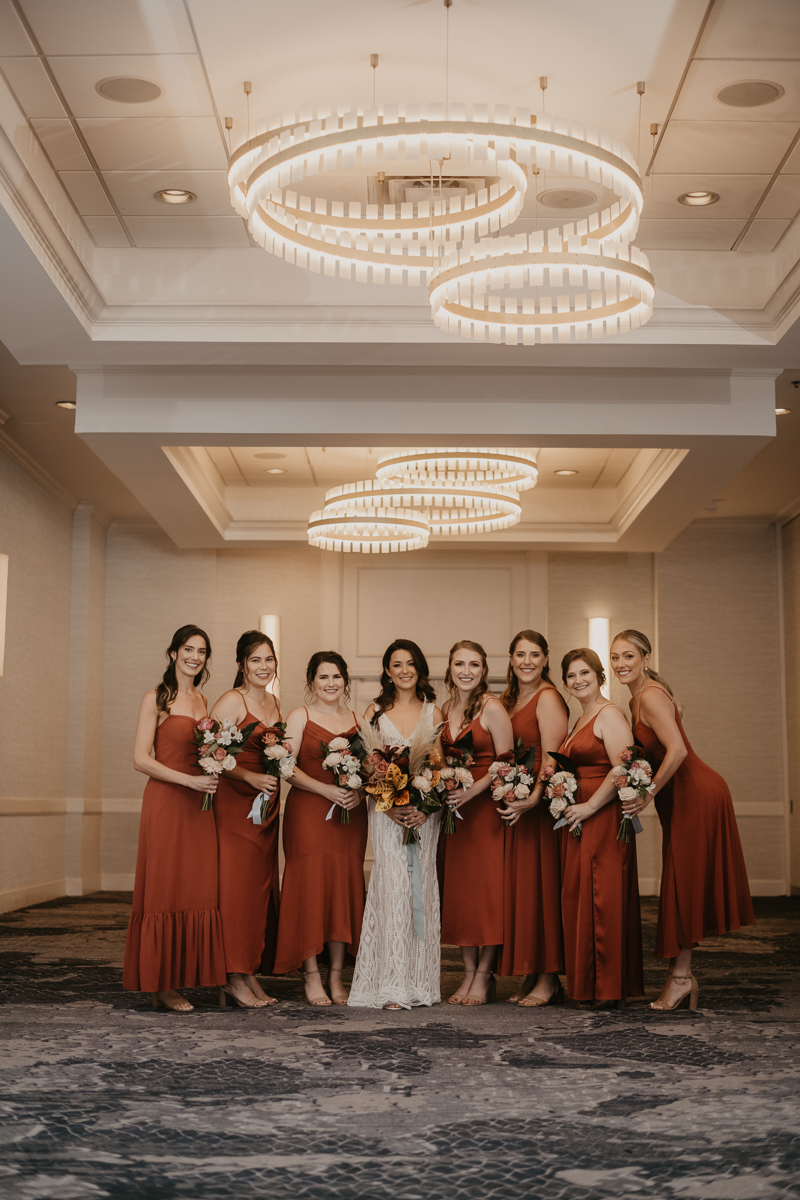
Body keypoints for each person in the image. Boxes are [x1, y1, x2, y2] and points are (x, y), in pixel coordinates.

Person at [610, 629, 754, 1012]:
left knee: (682, 884)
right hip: (681, 797)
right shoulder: (638, 697)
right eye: (615, 658)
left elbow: (675, 750)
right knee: (681, 882)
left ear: (646, 658)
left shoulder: (651, 695)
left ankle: (681, 978)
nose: (621, 664)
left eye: (628, 656)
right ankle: (680, 975)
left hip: (695, 793)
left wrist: (648, 792)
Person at [122, 625, 226, 1012]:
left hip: (200, 807)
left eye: (201, 651)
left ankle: (188, 975)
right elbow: (140, 758)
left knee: (196, 886)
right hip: (167, 801)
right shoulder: (157, 697)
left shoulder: (203, 700)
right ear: (173, 653)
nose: (195, 657)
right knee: (165, 887)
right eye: (188, 649)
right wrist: (188, 780)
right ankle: (162, 984)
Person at [349, 640, 445, 1010]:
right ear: (387, 671)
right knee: (391, 887)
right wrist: (387, 806)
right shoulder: (374, 711)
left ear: (419, 668)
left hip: (423, 817)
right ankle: (389, 984)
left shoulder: (433, 713)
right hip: (386, 815)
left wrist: (426, 808)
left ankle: (420, 983)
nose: (404, 670)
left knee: (421, 885)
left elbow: (438, 770)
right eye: (396, 664)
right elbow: (366, 768)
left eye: (410, 664)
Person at [273, 651, 367, 1006]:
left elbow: (371, 768)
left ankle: (336, 975)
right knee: (309, 889)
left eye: (336, 677)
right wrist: (325, 788)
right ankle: (311, 974)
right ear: (312, 681)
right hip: (309, 813)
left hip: (350, 818)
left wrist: (358, 791)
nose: (330, 683)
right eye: (323, 677)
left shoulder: (359, 718)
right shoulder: (301, 715)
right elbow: (285, 767)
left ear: (345, 680)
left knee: (342, 888)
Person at [558, 648, 644, 1007]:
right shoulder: (580, 718)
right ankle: (591, 984)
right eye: (571, 676)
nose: (578, 681)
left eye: (585, 674)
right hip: (579, 815)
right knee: (582, 895)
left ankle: (605, 987)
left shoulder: (609, 714)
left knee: (601, 897)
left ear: (599, 677)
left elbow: (623, 767)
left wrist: (591, 805)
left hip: (601, 816)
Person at [210, 630, 282, 1009]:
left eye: (268, 659)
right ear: (241, 664)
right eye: (255, 660)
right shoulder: (231, 701)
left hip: (266, 809)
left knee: (258, 891)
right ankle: (231, 975)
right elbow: (211, 754)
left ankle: (247, 969)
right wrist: (250, 776)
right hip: (237, 806)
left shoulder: (273, 701)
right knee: (236, 891)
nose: (263, 666)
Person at [496, 630, 568, 1007]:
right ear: (510, 659)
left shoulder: (549, 697)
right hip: (516, 807)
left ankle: (548, 977)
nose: (527, 661)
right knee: (523, 890)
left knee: (542, 889)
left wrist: (535, 798)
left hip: (538, 811)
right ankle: (531, 972)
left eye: (534, 655)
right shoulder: (509, 700)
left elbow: (554, 758)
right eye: (520, 654)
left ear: (545, 660)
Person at [440, 640, 514, 1005]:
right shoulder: (445, 707)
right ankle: (467, 974)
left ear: (484, 670)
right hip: (454, 815)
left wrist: (472, 791)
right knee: (462, 896)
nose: (466, 671)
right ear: (450, 669)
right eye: (459, 664)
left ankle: (484, 977)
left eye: (474, 664)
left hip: (484, 812)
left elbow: (506, 762)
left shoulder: (492, 707)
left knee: (487, 895)